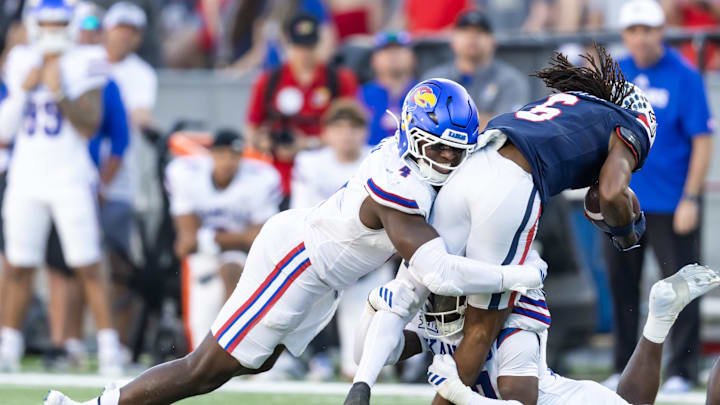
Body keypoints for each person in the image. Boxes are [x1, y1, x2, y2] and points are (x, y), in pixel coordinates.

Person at [45, 78, 546, 405]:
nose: (451, 159)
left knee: (253, 362)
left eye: (458, 150)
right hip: (300, 260)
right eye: (441, 147)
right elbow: (435, 271)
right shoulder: (401, 182)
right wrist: (515, 274)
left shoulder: (427, 163)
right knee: (209, 368)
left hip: (327, 273)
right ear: (415, 137)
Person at [346, 44, 657, 405]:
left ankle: (361, 383)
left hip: (473, 162)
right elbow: (612, 192)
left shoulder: (569, 107)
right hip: (512, 185)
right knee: (481, 325)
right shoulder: (629, 126)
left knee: (412, 283)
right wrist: (625, 232)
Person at [0, 0, 122, 374]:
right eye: (46, 23)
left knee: (86, 264)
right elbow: (4, 133)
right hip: (26, 176)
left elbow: (90, 124)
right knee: (19, 264)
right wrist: (23, 92)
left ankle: (108, 348)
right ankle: (8, 346)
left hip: (69, 176)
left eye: (59, 23)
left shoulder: (87, 59)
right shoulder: (20, 59)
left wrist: (59, 93)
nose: (52, 30)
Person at [602, 0, 714, 394]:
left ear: (661, 32)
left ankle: (683, 370)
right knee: (622, 288)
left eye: (648, 29)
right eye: (633, 30)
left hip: (670, 202)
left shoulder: (684, 75)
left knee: (680, 287)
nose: (640, 37)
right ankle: (622, 366)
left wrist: (691, 198)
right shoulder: (615, 76)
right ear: (625, 34)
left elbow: (702, 139)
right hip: (622, 203)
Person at [422, 264, 720, 405]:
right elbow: (399, 341)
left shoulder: (515, 324)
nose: (442, 304)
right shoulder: (446, 319)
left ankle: (661, 318)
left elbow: (520, 401)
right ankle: (660, 318)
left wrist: (458, 393)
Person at [290, 99, 389, 379]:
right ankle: (307, 357)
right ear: (326, 132)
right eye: (339, 127)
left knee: (361, 368)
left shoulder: (379, 160)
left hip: (368, 265)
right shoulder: (309, 162)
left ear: (364, 131)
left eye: (353, 127)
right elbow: (302, 214)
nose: (346, 134)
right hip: (322, 257)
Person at [166, 129, 282, 351]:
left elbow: (258, 238)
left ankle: (238, 346)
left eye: (233, 155)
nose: (227, 161)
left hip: (242, 256)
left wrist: (210, 238)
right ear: (211, 154)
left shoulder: (260, 178)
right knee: (202, 322)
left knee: (233, 268)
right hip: (202, 259)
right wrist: (232, 238)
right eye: (221, 154)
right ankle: (212, 352)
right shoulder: (186, 173)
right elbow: (186, 244)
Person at [245, 12, 358, 202]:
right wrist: (265, 143)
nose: (305, 54)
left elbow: (352, 127)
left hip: (325, 176)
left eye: (310, 46)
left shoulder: (339, 80)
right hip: (276, 176)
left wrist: (306, 144)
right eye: (298, 46)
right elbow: (252, 126)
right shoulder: (269, 81)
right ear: (287, 44)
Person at [422, 10, 530, 131]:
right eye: (465, 31)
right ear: (453, 40)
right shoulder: (435, 79)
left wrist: (447, 120)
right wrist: (485, 119)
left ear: (493, 41)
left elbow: (507, 128)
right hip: (443, 149)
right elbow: (424, 124)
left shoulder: (511, 80)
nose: (472, 37)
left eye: (480, 32)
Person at [358, 31, 417, 146]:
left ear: (413, 57)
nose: (393, 55)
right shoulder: (361, 95)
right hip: (370, 158)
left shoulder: (425, 93)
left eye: (399, 49)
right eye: (386, 51)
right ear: (373, 60)